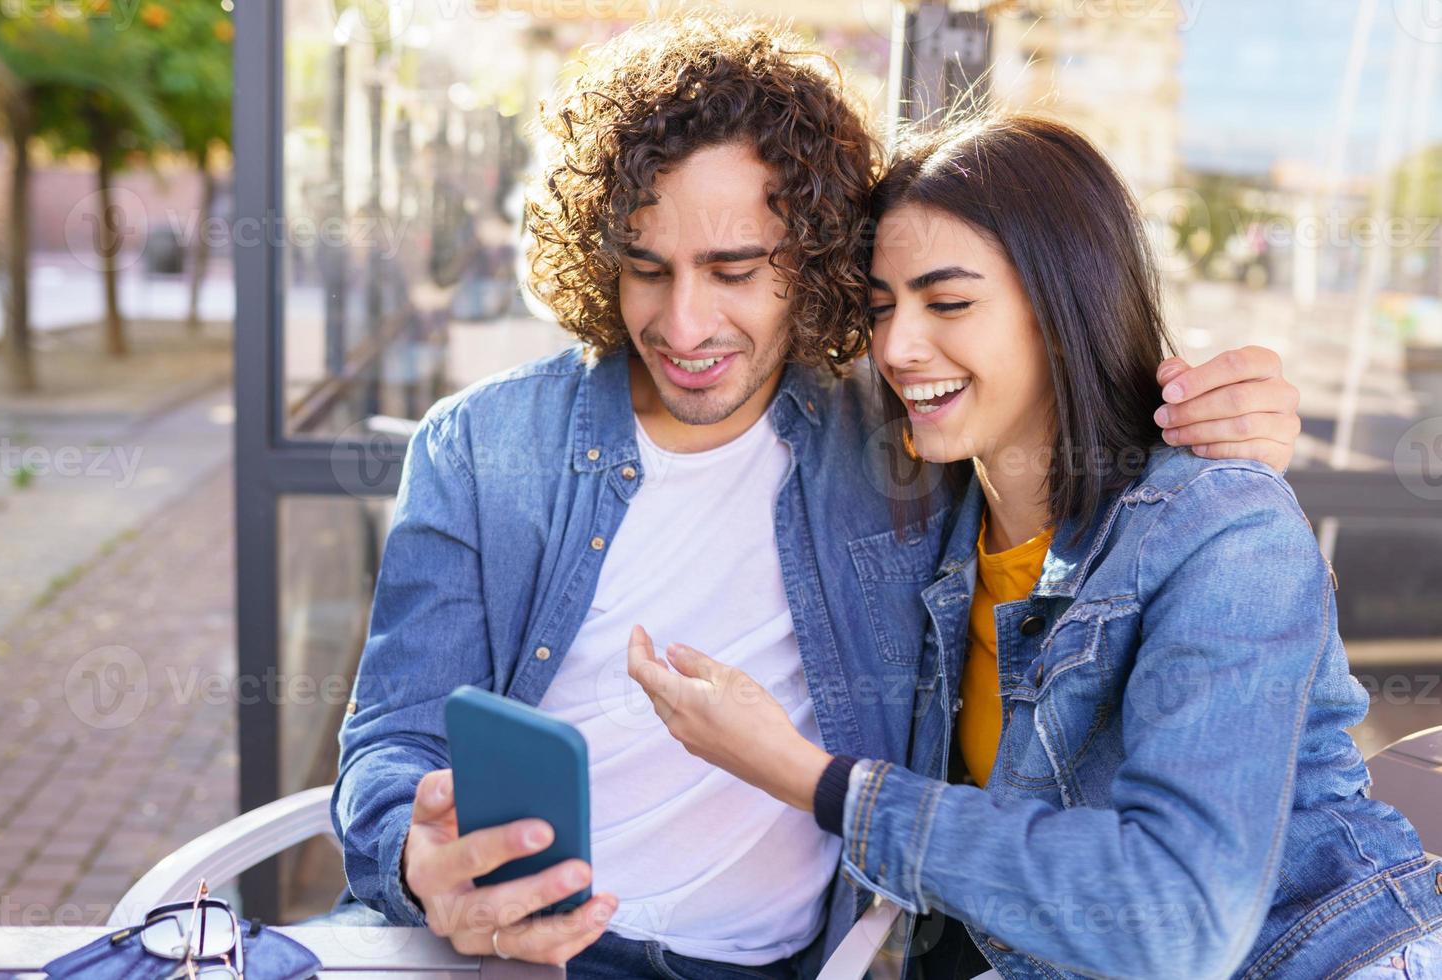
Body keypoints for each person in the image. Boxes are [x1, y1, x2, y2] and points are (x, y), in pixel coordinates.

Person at [331, 15, 1304, 975]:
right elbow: (391, 742)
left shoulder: (896, 442)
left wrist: (1197, 411)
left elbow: (1044, 398)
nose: (685, 321)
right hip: (504, 955)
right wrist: (417, 864)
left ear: (810, 263)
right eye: (648, 268)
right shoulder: (482, 447)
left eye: (734, 270)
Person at [627, 113, 1442, 978]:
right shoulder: (936, 532)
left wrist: (809, 778)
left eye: (949, 303)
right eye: (881, 308)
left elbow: (1175, 926)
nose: (899, 347)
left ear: (1062, 308)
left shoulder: (1220, 526)